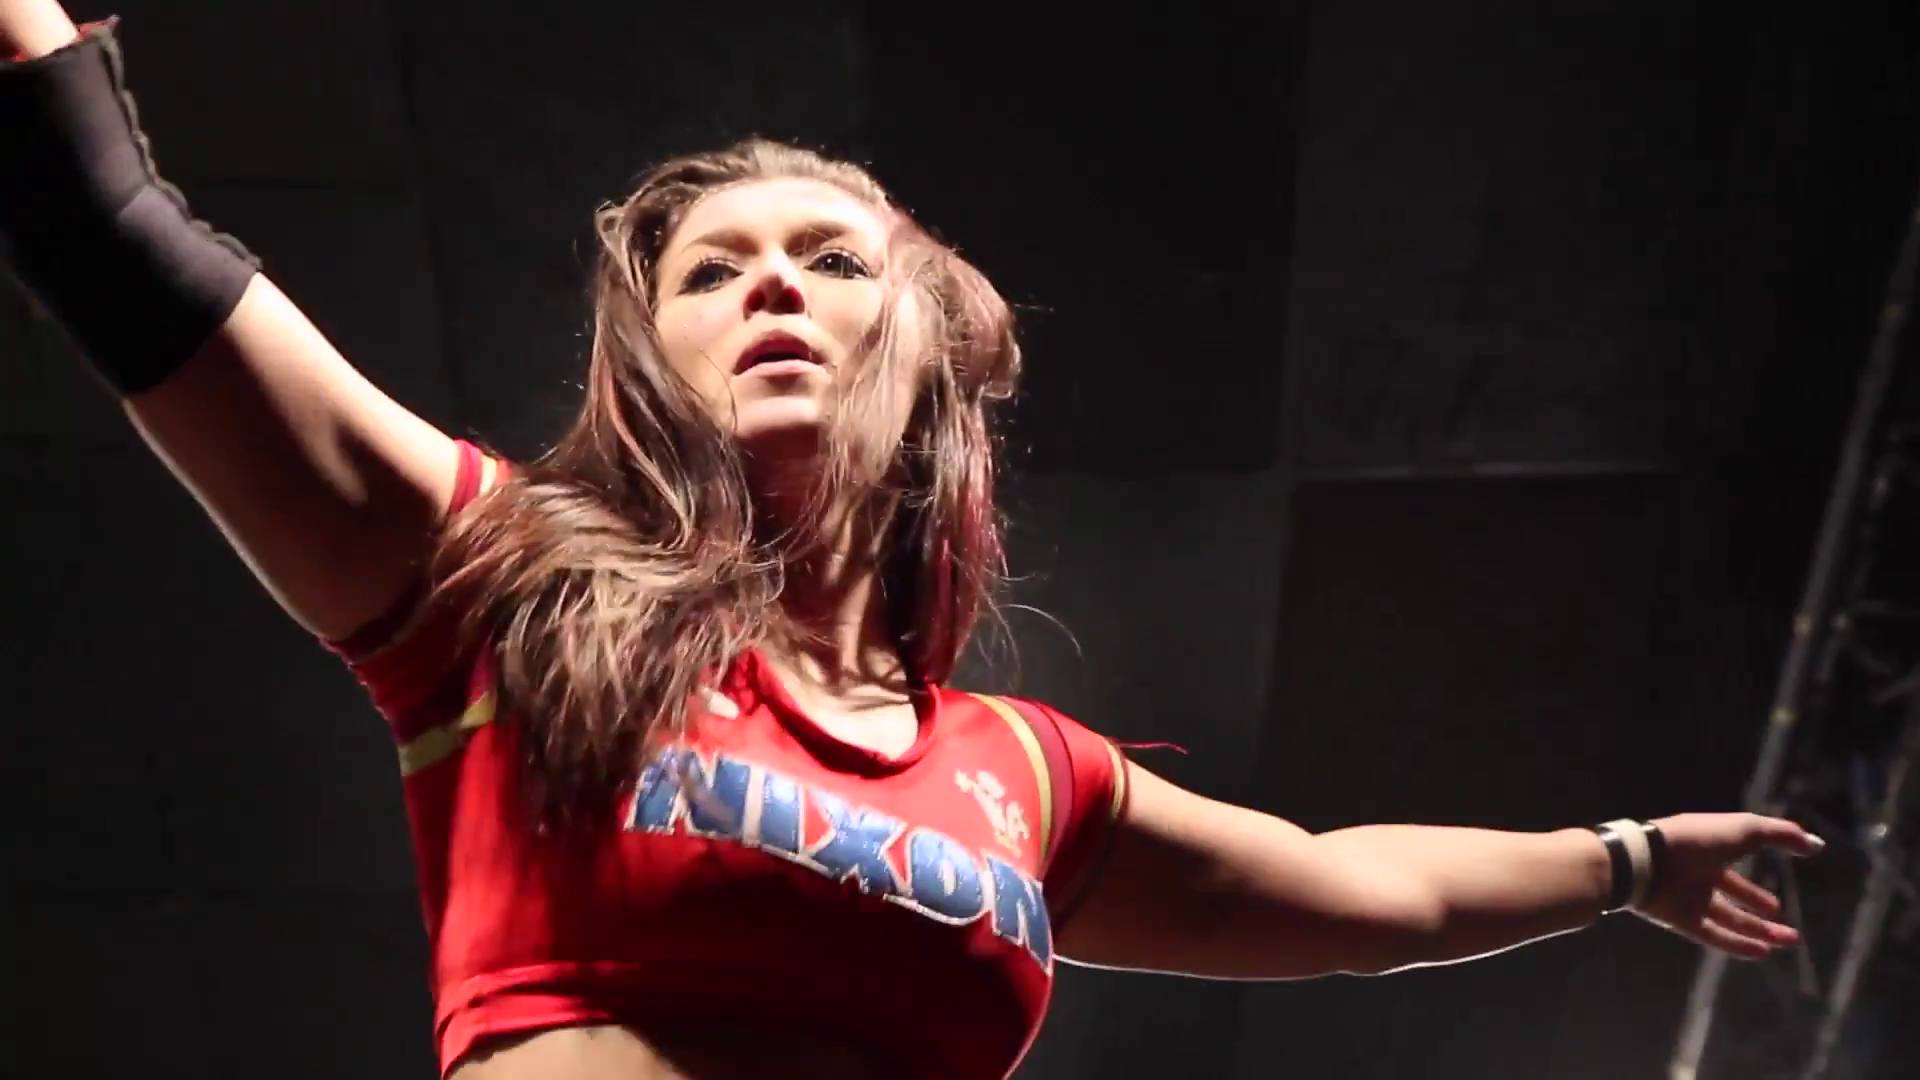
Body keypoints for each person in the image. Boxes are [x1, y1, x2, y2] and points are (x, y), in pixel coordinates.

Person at [0, 5, 1825, 1079]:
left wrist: (1628, 859)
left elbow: (1358, 901)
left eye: (830, 259)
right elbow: (105, 228)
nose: (771, 287)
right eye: (713, 271)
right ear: (653, 357)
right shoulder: (501, 580)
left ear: (925, 347)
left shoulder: (1024, 776)